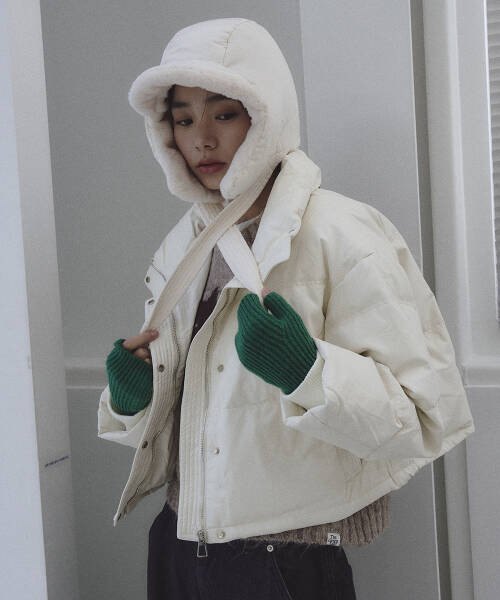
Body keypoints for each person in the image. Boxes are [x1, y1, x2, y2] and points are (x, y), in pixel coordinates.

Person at [97, 17, 475, 600]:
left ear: (266, 115)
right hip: (179, 542)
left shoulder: (341, 232)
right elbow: (206, 418)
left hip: (284, 562)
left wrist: (306, 371)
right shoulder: (184, 244)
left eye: (224, 114)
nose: (202, 139)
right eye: (184, 119)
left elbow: (422, 420)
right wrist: (133, 400)